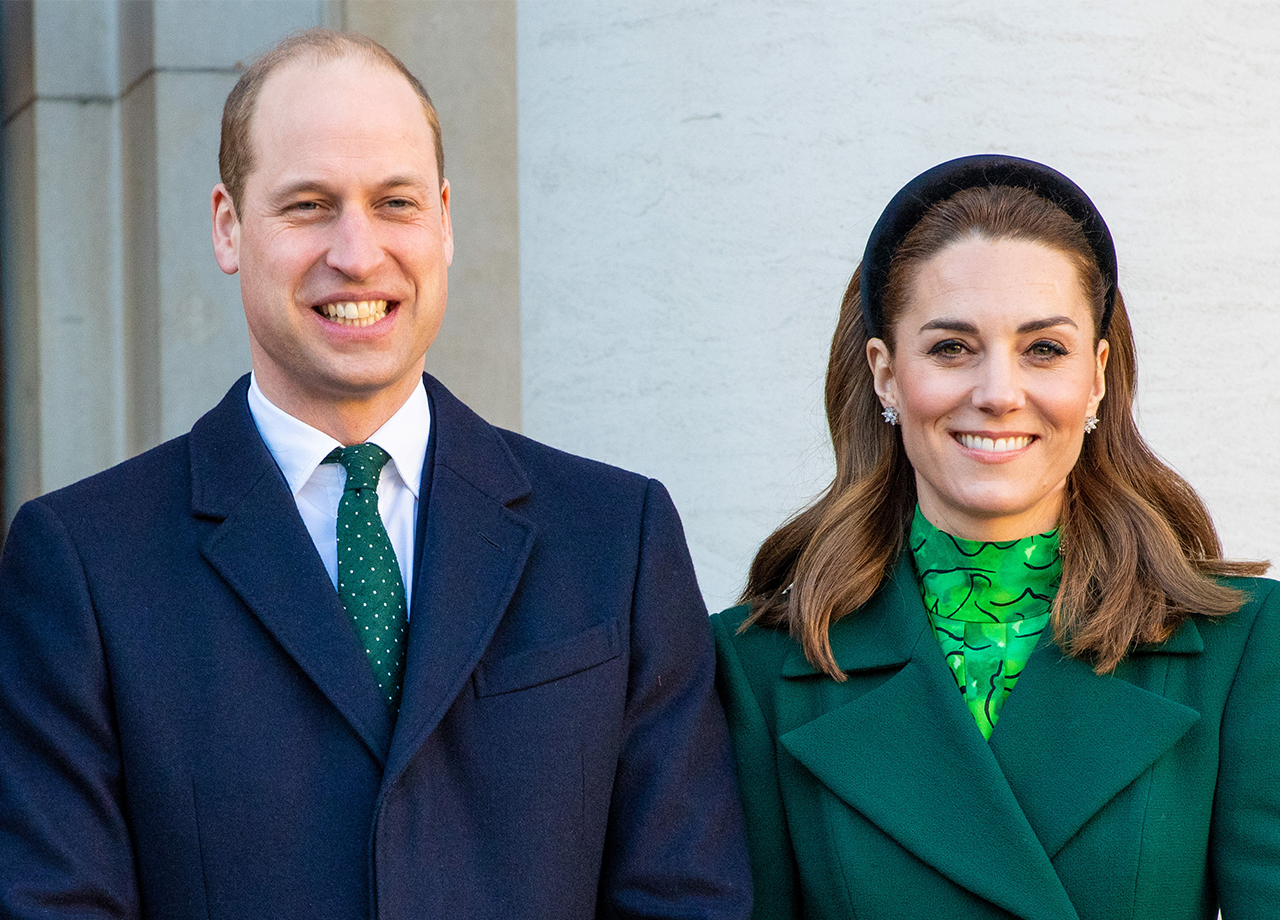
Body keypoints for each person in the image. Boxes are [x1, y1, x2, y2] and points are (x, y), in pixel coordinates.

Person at [0, 29, 750, 920]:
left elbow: (686, 898)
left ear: (443, 219)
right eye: (310, 205)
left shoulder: (616, 537)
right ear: (228, 226)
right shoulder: (83, 564)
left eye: (394, 203)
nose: (358, 253)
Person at [713, 154, 1279, 920]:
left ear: (1098, 375)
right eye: (952, 348)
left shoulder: (1243, 650)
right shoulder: (756, 668)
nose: (999, 394)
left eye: (1044, 349)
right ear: (885, 374)